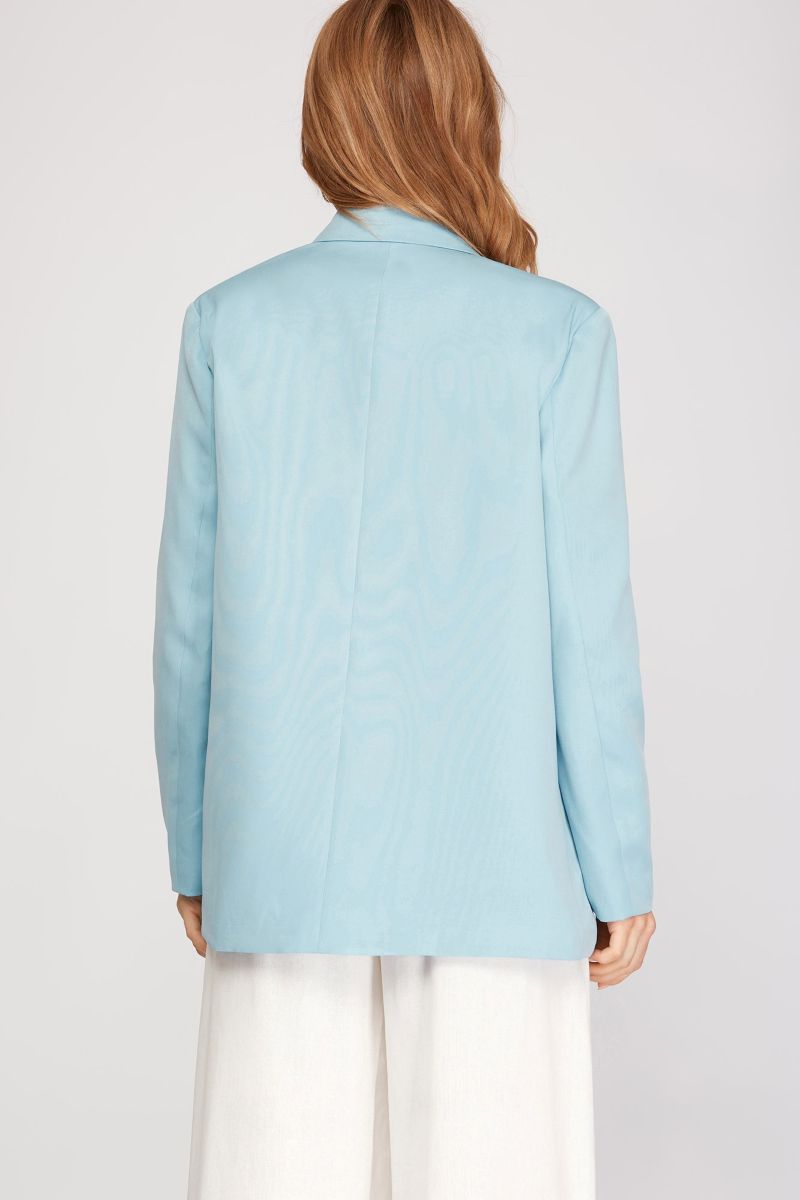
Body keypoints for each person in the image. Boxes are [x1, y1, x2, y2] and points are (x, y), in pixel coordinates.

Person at [153, 0, 656, 1195]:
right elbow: (586, 635)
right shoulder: (555, 333)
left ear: (325, 120)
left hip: (278, 861)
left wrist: (198, 847)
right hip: (498, 866)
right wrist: (618, 867)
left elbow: (188, 630)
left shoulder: (229, 323)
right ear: (467, 118)